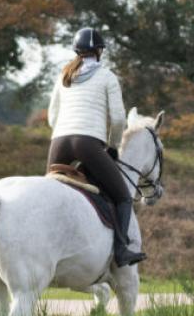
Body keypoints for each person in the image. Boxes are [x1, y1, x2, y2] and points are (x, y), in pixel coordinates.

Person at [45, 27, 144, 267]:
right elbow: (119, 119)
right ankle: (121, 250)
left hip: (59, 144)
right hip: (88, 143)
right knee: (122, 197)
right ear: (99, 52)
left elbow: (51, 117)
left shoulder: (63, 76)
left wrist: (64, 131)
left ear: (77, 51)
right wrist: (112, 145)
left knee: (48, 196)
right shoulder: (107, 76)